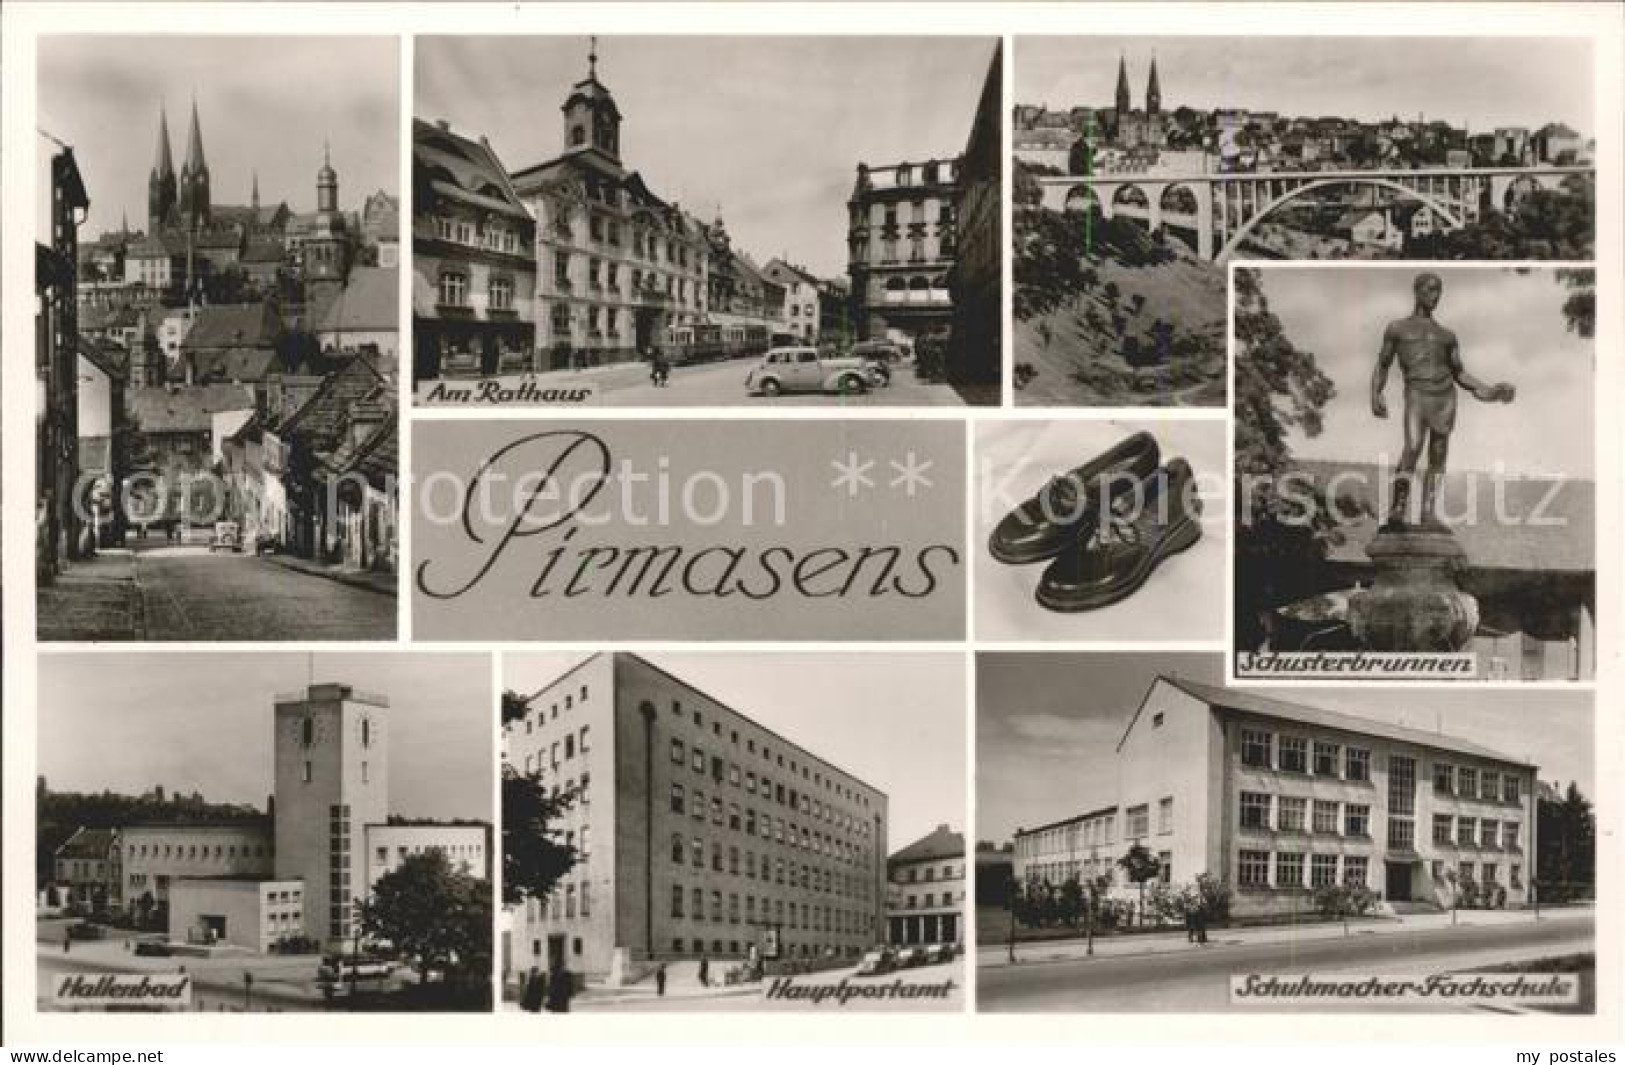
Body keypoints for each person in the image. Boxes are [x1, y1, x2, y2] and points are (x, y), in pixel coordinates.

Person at [1371, 272, 1515, 528]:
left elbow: (1460, 373)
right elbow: (1383, 364)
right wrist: (1376, 393)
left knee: (1438, 455)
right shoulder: (1397, 328)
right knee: (1413, 447)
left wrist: (1492, 391)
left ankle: (1428, 512)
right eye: (1430, 290)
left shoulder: (1447, 336)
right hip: (1417, 392)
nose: (1435, 296)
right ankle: (1398, 509)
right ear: (1417, 291)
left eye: (1438, 291)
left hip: (1445, 396)